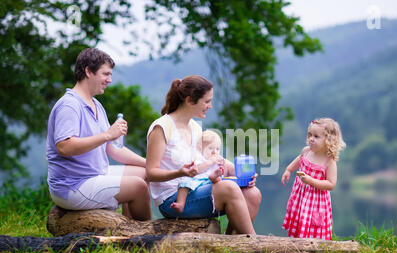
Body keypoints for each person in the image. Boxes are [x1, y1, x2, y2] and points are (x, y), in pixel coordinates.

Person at [146, 75, 261, 235]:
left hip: (199, 187)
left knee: (253, 193)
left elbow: (211, 158)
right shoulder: (162, 128)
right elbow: (151, 173)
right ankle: (254, 243)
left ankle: (234, 244)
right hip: (173, 199)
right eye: (206, 101)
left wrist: (240, 174)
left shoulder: (194, 127)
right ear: (190, 100)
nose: (210, 106)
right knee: (228, 188)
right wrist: (179, 172)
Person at [46, 48, 151, 221]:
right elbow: (64, 147)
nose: (110, 80)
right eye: (105, 74)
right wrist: (107, 135)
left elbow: (113, 149)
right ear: (88, 71)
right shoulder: (69, 105)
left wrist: (150, 164)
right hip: (73, 186)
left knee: (145, 173)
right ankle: (148, 239)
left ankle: (130, 232)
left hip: (96, 174)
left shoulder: (96, 104)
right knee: (138, 186)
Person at [281, 118, 346, 240]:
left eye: (316, 136)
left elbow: (331, 184)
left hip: (316, 201)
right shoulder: (306, 151)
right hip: (301, 195)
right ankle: (297, 242)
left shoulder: (329, 161)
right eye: (310, 135)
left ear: (328, 140)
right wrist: (289, 170)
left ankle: (314, 246)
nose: (311, 138)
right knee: (299, 218)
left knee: (313, 223)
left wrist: (310, 180)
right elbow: (299, 159)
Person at [170, 130, 225, 214]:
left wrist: (221, 165)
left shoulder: (217, 158)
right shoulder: (199, 157)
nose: (214, 151)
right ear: (200, 148)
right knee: (183, 183)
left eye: (217, 149)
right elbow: (197, 170)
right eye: (210, 148)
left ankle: (214, 177)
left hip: (209, 181)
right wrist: (209, 162)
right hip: (197, 179)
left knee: (221, 180)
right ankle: (180, 204)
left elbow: (224, 167)